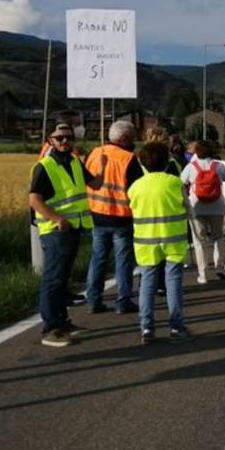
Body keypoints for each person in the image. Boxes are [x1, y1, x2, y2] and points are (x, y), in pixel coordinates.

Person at [28, 123, 106, 347]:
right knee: (53, 279)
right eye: (60, 138)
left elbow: (96, 184)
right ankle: (51, 327)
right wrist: (57, 218)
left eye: (69, 138)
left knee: (62, 279)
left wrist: (102, 167)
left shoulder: (74, 162)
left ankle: (62, 322)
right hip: (55, 231)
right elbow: (34, 199)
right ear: (50, 141)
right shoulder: (45, 166)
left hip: (73, 228)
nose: (65, 142)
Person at [129, 142, 193, 344]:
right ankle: (176, 326)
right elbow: (188, 209)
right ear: (167, 162)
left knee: (147, 283)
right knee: (173, 281)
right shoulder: (175, 183)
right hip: (173, 239)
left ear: (142, 163)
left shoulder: (135, 186)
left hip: (145, 242)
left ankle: (146, 328)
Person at [82, 120, 138, 315]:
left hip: (96, 213)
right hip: (121, 216)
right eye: (131, 137)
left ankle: (93, 300)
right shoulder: (129, 158)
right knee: (123, 261)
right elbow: (136, 189)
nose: (134, 141)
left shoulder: (93, 153)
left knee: (98, 258)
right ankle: (123, 302)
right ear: (124, 139)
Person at [180, 139, 225, 284]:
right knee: (218, 237)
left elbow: (181, 184)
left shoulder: (191, 166)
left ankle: (203, 274)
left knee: (199, 240)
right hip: (216, 206)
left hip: (196, 206)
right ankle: (219, 267)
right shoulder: (218, 166)